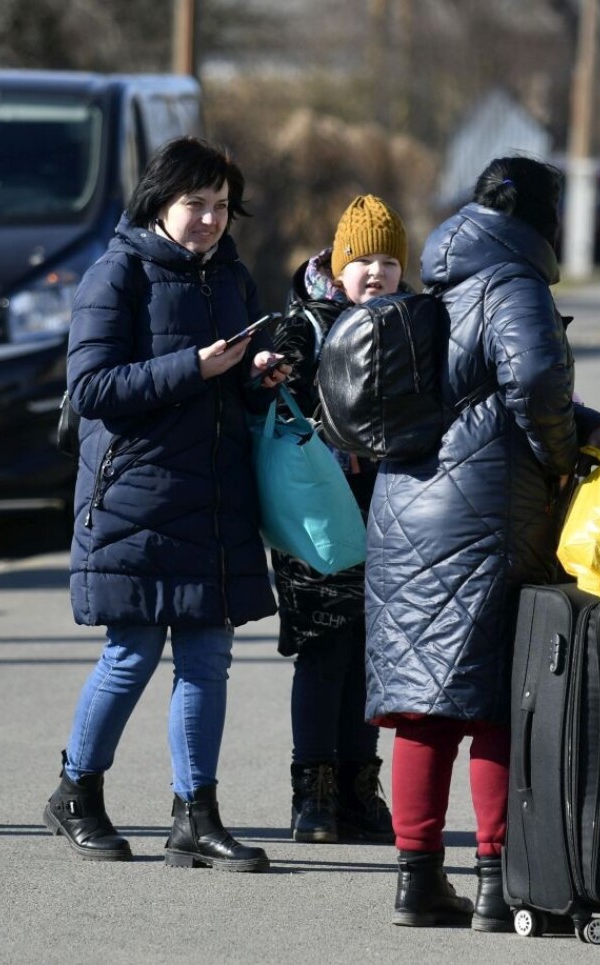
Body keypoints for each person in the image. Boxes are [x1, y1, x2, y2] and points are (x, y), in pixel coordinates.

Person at [364, 156, 600, 930]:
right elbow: (536, 377)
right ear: (540, 218)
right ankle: (496, 884)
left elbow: (465, 381)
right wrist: (560, 453)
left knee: (421, 703)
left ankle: (416, 882)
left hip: (406, 505)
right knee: (491, 702)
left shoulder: (443, 277)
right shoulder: (513, 281)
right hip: (485, 512)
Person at [42, 135, 290, 872]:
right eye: (197, 205)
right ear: (159, 203)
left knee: (210, 658)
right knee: (133, 653)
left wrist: (259, 375)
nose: (211, 220)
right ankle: (76, 793)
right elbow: (89, 389)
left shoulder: (233, 278)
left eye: (221, 206)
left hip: (213, 497)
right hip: (134, 498)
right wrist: (192, 366)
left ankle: (195, 817)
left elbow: (230, 390)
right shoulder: (116, 274)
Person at [269, 195, 402, 844]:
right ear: (338, 264)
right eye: (363, 260)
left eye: (389, 260)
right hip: (317, 514)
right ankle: (313, 797)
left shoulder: (408, 321)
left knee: (372, 659)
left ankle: (357, 789)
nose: (376, 272)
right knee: (324, 653)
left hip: (388, 515)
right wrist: (275, 366)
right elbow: (282, 366)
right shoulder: (310, 321)